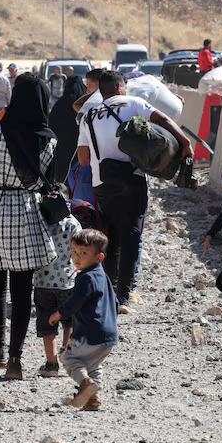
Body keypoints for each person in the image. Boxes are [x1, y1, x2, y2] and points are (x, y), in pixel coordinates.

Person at [77, 71, 193, 312]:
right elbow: (164, 120)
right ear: (121, 88)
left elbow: (84, 159)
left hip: (103, 183)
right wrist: (185, 142)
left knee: (110, 238)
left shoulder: (88, 115)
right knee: (131, 236)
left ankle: (107, 292)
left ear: (101, 91)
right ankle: (124, 296)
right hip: (132, 179)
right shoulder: (135, 103)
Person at [0, 73, 58, 380]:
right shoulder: (49, 140)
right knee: (22, 291)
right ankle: (15, 360)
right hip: (24, 210)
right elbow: (51, 182)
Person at [49, 228, 118, 411]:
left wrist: (59, 313)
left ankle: (86, 383)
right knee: (93, 365)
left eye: (84, 253)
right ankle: (92, 398)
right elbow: (116, 303)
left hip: (88, 332)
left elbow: (75, 302)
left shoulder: (85, 278)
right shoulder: (104, 277)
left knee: (70, 359)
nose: (77, 257)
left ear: (99, 257)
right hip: (109, 335)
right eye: (74, 252)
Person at [33, 213, 81, 379]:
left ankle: (51, 363)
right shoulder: (72, 222)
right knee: (69, 321)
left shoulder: (39, 219)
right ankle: (66, 351)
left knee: (47, 325)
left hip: (43, 282)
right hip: (68, 281)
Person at [48, 75, 87, 183]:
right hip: (83, 148)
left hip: (63, 148)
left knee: (63, 179)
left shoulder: (60, 104)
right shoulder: (85, 106)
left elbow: (52, 124)